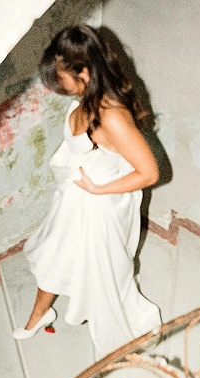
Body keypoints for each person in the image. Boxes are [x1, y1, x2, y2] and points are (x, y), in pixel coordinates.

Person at [13, 24, 161, 359]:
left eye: (61, 79)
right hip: (74, 198)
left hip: (97, 206)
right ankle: (39, 315)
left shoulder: (112, 117)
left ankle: (48, 316)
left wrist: (99, 188)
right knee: (54, 255)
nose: (58, 88)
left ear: (84, 72)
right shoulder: (87, 97)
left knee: (95, 273)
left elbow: (149, 172)